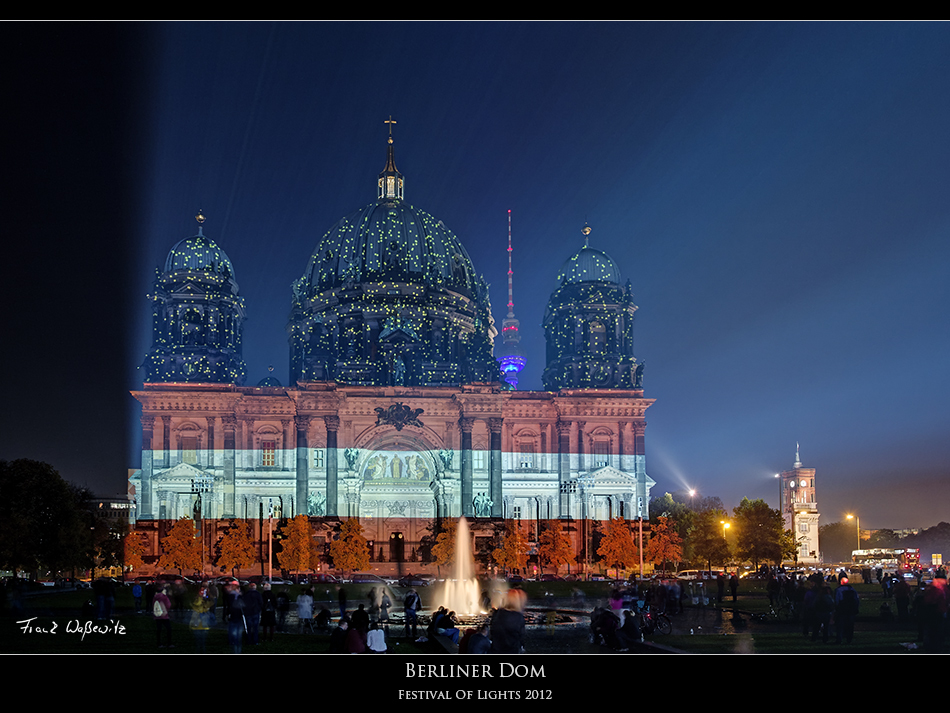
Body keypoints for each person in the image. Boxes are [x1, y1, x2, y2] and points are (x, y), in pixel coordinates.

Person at [491, 589, 526, 654]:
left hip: (497, 649)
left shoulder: (497, 614)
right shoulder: (518, 617)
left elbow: (492, 630)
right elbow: (521, 636)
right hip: (512, 649)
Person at [834, 577, 860, 644]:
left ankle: (839, 639)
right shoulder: (852, 589)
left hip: (842, 610)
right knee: (850, 625)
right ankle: (849, 639)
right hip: (851, 610)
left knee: (840, 625)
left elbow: (837, 600)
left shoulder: (839, 590)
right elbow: (856, 599)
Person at [153, 584, 173, 649]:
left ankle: (159, 643)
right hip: (164, 615)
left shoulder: (155, 597)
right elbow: (168, 605)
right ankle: (169, 643)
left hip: (157, 615)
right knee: (168, 629)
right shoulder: (164, 597)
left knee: (159, 630)